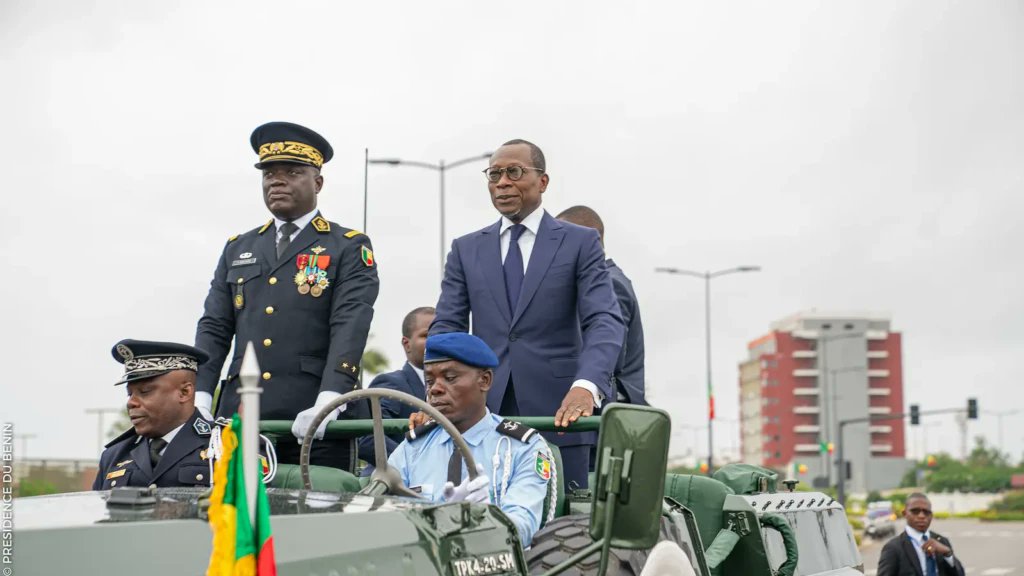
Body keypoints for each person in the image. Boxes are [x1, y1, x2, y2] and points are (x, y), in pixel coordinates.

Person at [431, 139, 624, 489]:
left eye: (514, 172)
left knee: (564, 527)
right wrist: (437, 388)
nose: (502, 182)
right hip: (482, 416)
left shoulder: (580, 243)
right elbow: (447, 327)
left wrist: (586, 386)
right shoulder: (466, 249)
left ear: (543, 181)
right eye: (494, 175)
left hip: (562, 416)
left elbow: (604, 320)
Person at [194, 121, 379, 469]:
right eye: (269, 174)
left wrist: (332, 398)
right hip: (241, 414)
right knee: (237, 518)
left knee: (315, 514)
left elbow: (350, 325)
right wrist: (201, 392)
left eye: (292, 172)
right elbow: (215, 327)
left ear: (318, 182)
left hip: (313, 414)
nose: (276, 181)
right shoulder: (239, 248)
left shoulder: (347, 246)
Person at [388, 333, 552, 547]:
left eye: (450, 378)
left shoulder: (523, 447)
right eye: (429, 381)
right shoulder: (413, 448)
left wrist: (482, 522)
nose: (434, 389)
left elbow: (523, 526)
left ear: (484, 381)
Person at [93, 339, 214, 490]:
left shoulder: (224, 445)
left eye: (145, 392)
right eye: (129, 394)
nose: (131, 402)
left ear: (185, 392)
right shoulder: (114, 455)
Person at [556, 205, 646, 405]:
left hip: (607, 413)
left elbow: (609, 356)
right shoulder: (603, 281)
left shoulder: (610, 284)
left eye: (561, 241)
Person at [358, 306, 434, 466]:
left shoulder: (456, 389)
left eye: (441, 334)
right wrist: (414, 464)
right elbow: (368, 437)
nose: (435, 340)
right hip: (395, 482)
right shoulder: (391, 384)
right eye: (426, 335)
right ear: (407, 344)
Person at [877, 492, 965, 576]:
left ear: (931, 515)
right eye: (915, 511)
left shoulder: (941, 541)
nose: (921, 516)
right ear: (905, 513)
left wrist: (948, 554)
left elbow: (960, 574)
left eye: (926, 512)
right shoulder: (893, 548)